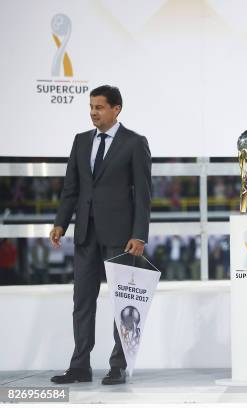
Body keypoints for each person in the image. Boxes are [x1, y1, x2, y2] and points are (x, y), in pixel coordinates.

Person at [49, 85, 152, 385]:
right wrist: (60, 222)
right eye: (91, 107)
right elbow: (71, 188)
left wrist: (139, 235)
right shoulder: (81, 141)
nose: (93, 112)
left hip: (121, 236)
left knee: (123, 302)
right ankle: (80, 365)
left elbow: (144, 195)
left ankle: (117, 365)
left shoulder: (135, 143)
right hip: (85, 234)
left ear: (116, 109)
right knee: (82, 300)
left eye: (99, 107)